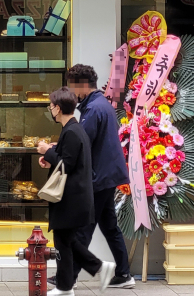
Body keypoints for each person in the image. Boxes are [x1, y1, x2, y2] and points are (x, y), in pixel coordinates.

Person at [47, 64, 134, 289]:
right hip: (109, 175)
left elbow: (80, 144)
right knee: (109, 226)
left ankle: (68, 278)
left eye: (73, 86)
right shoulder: (101, 105)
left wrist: (52, 150)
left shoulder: (93, 109)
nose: (72, 93)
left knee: (81, 229)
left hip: (98, 177)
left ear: (82, 86)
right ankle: (124, 274)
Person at [38, 87, 116, 296]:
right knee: (66, 241)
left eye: (51, 106)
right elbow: (68, 162)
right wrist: (50, 159)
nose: (50, 109)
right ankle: (68, 285)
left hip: (71, 198)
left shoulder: (72, 131)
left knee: (65, 241)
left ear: (57, 108)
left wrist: (48, 151)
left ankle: (93, 270)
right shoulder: (74, 129)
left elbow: (67, 165)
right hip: (75, 197)